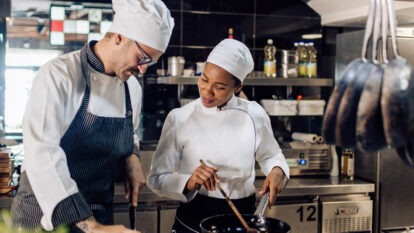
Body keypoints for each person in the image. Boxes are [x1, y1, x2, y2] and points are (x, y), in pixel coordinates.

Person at [11, 0, 174, 232]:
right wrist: (91, 227)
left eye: (151, 61)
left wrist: (132, 157)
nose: (143, 69)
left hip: (97, 213)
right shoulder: (59, 76)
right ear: (119, 37)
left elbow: (130, 133)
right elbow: (42, 153)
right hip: (44, 217)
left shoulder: (132, 89)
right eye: (143, 57)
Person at [147, 39, 289, 233]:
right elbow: (156, 179)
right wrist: (189, 181)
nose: (207, 91)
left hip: (242, 218)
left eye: (220, 87)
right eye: (204, 79)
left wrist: (277, 170)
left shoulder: (255, 113)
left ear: (237, 87)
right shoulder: (179, 118)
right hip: (193, 221)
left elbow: (271, 155)